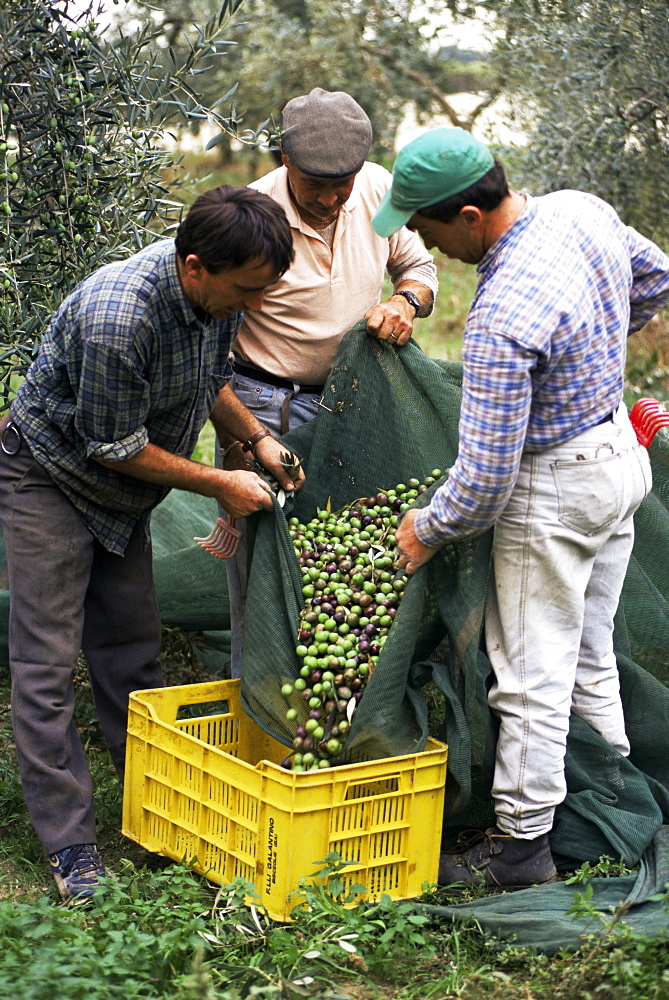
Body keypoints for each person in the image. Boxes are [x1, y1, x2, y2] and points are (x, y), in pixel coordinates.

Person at [373, 127, 669, 890]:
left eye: (428, 229)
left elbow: (484, 482)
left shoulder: (501, 315)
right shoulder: (579, 209)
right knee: (590, 650)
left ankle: (522, 849)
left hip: (557, 487)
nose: (427, 247)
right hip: (617, 457)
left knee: (530, 674)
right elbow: (656, 276)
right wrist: (601, 344)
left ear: (468, 216)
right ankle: (612, 800)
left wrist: (424, 530)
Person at [0, 184, 304, 904]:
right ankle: (70, 846)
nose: (253, 304)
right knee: (44, 666)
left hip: (119, 495)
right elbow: (112, 445)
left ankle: (153, 811)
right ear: (195, 265)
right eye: (246, 290)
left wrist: (254, 436)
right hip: (51, 479)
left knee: (131, 650)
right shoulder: (120, 316)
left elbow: (211, 380)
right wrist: (219, 484)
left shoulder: (210, 302)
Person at [218, 87, 439, 677]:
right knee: (262, 572)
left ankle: (330, 696)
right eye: (317, 184)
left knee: (342, 562)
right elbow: (212, 336)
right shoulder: (253, 213)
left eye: (343, 182)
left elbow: (419, 268)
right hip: (263, 406)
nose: (332, 197)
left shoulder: (374, 189)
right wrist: (240, 434)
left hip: (352, 408)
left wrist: (406, 303)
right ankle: (258, 701)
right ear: (285, 160)